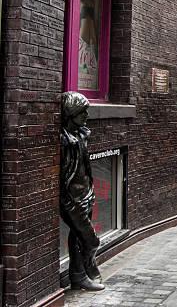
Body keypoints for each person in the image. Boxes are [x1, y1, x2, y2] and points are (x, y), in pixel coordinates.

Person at [60, 92, 105, 291]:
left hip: (86, 193)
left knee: (78, 237)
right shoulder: (64, 141)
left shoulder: (81, 134)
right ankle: (89, 269)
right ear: (71, 113)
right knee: (91, 240)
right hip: (72, 199)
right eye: (82, 111)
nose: (86, 114)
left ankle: (78, 277)